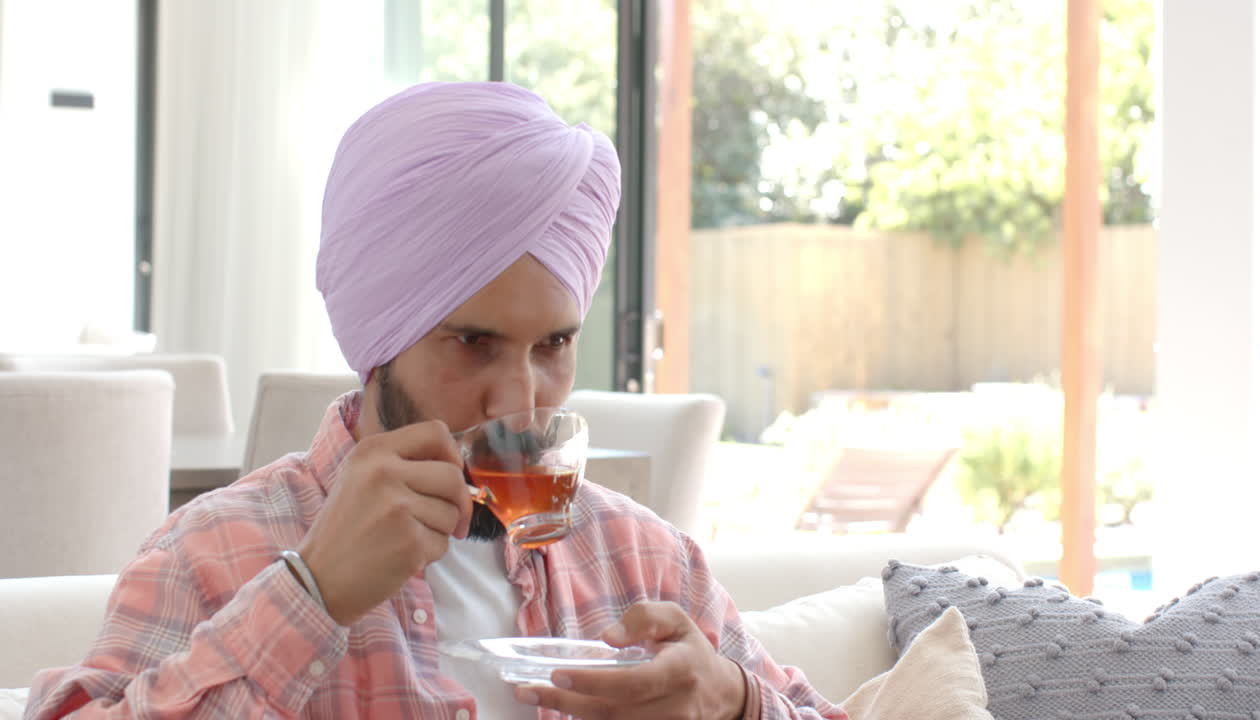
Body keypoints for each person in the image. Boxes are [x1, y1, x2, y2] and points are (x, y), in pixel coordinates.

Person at [24, 82, 844, 720]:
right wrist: (310, 596)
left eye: (553, 345)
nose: (519, 401)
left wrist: (731, 700)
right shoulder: (212, 554)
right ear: (381, 342)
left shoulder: (643, 561)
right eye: (473, 343)